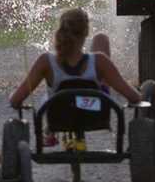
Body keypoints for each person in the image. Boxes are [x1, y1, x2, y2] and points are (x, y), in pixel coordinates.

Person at [9, 8, 143, 110]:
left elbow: (15, 100)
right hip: (94, 114)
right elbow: (134, 97)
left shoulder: (46, 61)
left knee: (46, 98)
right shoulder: (100, 61)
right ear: (86, 32)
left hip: (59, 116)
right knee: (101, 39)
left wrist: (16, 98)